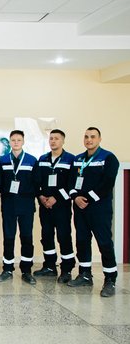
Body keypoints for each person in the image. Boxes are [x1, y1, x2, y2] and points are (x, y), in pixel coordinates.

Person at [68, 127, 119, 297]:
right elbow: (70, 182)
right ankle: (84, 274)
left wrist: (87, 198)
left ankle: (110, 279)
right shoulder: (78, 159)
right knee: (82, 241)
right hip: (79, 208)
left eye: (92, 137)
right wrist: (75, 197)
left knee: (104, 243)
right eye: (86, 136)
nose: (89, 140)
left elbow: (107, 183)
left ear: (99, 139)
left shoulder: (108, 158)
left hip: (99, 209)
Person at [0, 130, 39, 285]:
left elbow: (36, 183)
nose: (16, 142)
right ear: (9, 142)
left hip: (26, 205)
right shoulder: (2, 161)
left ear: (23, 142)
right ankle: (7, 269)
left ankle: (26, 270)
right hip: (8, 205)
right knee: (9, 237)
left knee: (26, 237)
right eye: (13, 140)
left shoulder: (32, 160)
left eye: (18, 140)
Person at [34, 129, 75, 283]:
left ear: (63, 141)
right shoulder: (42, 159)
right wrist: (41, 196)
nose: (53, 141)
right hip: (45, 206)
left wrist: (56, 198)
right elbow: (37, 181)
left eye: (56, 138)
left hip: (61, 206)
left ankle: (67, 269)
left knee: (63, 236)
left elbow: (71, 184)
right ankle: (50, 266)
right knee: (46, 236)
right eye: (51, 138)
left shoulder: (71, 159)